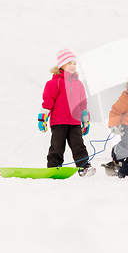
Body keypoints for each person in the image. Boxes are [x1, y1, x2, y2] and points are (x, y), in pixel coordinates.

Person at [38, 49, 95, 177]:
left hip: (74, 122)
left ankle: (84, 168)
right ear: (61, 65)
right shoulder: (54, 83)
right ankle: (53, 169)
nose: (73, 66)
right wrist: (42, 119)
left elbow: (83, 105)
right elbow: (47, 102)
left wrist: (85, 121)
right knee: (57, 147)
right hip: (58, 122)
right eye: (70, 63)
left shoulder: (79, 84)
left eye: (74, 63)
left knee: (78, 146)